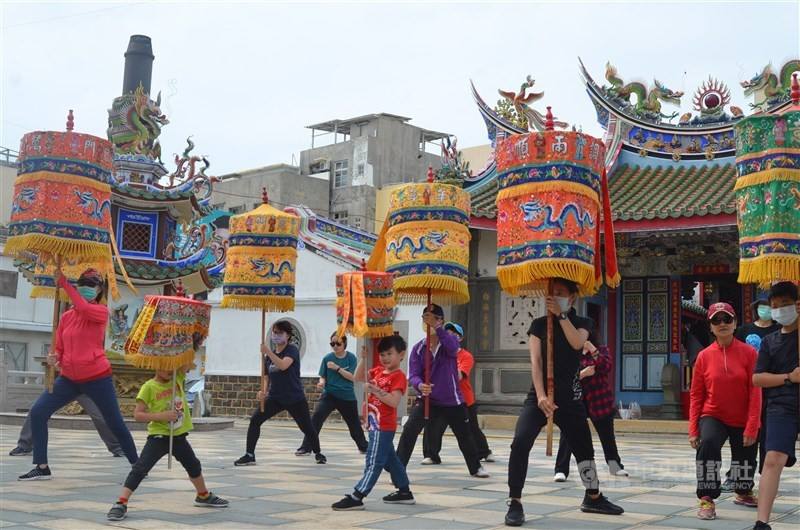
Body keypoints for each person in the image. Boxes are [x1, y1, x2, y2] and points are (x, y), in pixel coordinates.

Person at [505, 278, 623, 527]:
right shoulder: (538, 325)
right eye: (551, 292)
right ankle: (515, 501)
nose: (554, 296)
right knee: (520, 441)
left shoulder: (583, 323)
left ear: (571, 297)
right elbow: (536, 363)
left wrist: (561, 315)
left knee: (584, 448)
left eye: (560, 293)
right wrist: (541, 396)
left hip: (570, 396)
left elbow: (577, 343)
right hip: (539, 397)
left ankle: (593, 496)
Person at [18, 269, 138, 481]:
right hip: (68, 379)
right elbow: (60, 348)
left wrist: (64, 283)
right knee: (38, 412)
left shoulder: (100, 312)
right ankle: (42, 466)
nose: (86, 288)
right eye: (83, 284)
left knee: (114, 421)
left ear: (99, 290)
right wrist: (55, 358)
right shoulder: (66, 317)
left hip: (97, 377)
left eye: (92, 285)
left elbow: (83, 307)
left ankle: (137, 465)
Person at [107, 353, 229, 521]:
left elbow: (188, 359)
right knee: (140, 469)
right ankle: (121, 502)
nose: (170, 370)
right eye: (165, 366)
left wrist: (187, 344)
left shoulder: (177, 379)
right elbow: (138, 415)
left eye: (172, 365)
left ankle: (203, 495)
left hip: (178, 436)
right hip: (158, 437)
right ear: (156, 365)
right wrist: (161, 416)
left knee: (193, 465)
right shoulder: (149, 387)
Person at [393, 304, 489, 478]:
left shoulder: (448, 343)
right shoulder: (418, 348)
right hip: (428, 398)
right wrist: (420, 385)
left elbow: (453, 347)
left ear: (441, 321)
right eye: (426, 318)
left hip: (452, 399)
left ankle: (475, 467)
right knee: (409, 430)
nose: (429, 322)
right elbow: (413, 374)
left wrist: (438, 328)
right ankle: (398, 469)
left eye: (434, 318)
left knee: (464, 434)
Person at [689, 302, 761, 520]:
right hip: (713, 414)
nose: (722, 324)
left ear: (735, 323)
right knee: (708, 444)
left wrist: (752, 426)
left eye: (727, 319)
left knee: (745, 458)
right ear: (711, 327)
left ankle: (743, 490)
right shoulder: (703, 356)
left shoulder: (749, 353)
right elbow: (696, 395)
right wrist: (693, 429)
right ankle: (707, 498)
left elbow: (755, 392)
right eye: (716, 320)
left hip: (742, 416)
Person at [332, 335, 415, 511]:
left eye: (389, 354)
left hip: (383, 426)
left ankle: (358, 495)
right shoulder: (378, 371)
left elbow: (394, 401)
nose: (385, 358)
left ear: (401, 354)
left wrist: (375, 390)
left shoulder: (398, 376)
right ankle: (404, 491)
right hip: (374, 424)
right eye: (382, 354)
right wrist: (363, 358)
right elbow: (357, 377)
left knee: (374, 461)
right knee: (391, 460)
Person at [235, 320, 326, 466]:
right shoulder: (268, 357)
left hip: (294, 397)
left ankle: (318, 453)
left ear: (288, 335)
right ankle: (249, 454)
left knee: (307, 427)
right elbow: (266, 376)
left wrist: (268, 352)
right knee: (255, 420)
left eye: (280, 333)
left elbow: (283, 365)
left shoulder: (292, 350)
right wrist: (263, 391)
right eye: (274, 332)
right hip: (275, 397)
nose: (276, 335)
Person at [751, 282, 800, 530]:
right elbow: (757, 378)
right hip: (781, 404)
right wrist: (789, 377)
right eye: (775, 306)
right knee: (773, 459)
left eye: (785, 304)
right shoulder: (769, 341)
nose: (780, 309)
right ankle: (762, 522)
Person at [718, 298, 779, 491]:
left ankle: (766, 476)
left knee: (767, 436)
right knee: (743, 438)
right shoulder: (744, 331)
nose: (765, 310)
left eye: (769, 307)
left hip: (772, 389)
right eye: (762, 307)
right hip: (748, 388)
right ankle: (734, 476)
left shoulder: (779, 331)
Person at [553, 339, 627, 481]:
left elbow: (606, 367)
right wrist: (583, 374)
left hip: (599, 399)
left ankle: (615, 466)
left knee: (607, 435)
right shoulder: (570, 353)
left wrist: (593, 349)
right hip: (576, 400)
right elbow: (564, 377)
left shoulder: (601, 350)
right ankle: (561, 470)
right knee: (568, 435)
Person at [421, 321, 494, 465]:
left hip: (463, 399)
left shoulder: (466, 356)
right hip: (441, 397)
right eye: (447, 333)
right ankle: (431, 455)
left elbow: (459, 376)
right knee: (433, 426)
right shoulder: (437, 353)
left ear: (460, 338)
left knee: (471, 428)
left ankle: (484, 452)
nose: (449, 336)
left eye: (453, 334)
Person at [296, 332, 368, 455]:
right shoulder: (327, 358)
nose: (335, 346)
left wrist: (337, 368)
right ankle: (306, 447)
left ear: (344, 343)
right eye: (332, 344)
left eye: (338, 343)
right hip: (329, 394)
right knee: (316, 418)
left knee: (354, 424)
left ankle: (363, 446)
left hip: (346, 396)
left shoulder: (351, 358)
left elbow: (353, 377)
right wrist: (321, 383)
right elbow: (323, 376)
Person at [10, 394, 123, 457]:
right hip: (65, 382)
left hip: (87, 384)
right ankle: (24, 445)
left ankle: (118, 447)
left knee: (100, 416)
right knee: (38, 410)